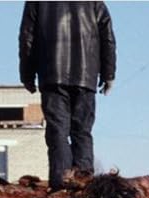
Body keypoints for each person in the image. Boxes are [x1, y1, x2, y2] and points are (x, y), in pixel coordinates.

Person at [19, 1, 117, 187]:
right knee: (82, 132)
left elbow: (27, 39)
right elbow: (108, 37)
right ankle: (84, 183)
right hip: (86, 76)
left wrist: (27, 75)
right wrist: (108, 74)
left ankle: (61, 184)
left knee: (58, 132)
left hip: (52, 74)